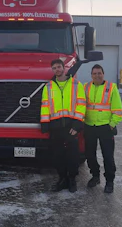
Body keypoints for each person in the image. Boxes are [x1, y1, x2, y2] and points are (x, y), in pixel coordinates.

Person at [40, 59, 86, 193]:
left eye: (59, 67)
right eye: (54, 68)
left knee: (73, 155)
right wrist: (45, 124)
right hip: (56, 127)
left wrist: (77, 125)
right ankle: (62, 179)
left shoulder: (76, 85)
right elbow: (45, 106)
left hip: (71, 126)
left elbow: (81, 105)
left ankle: (72, 180)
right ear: (52, 70)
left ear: (64, 67)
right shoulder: (48, 86)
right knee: (57, 155)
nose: (57, 70)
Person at [84, 64, 122, 193]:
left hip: (106, 127)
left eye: (99, 73)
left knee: (108, 156)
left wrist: (112, 124)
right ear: (91, 75)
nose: (97, 75)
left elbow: (118, 110)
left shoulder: (111, 88)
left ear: (103, 74)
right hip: (89, 126)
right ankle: (95, 176)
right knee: (89, 154)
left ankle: (110, 181)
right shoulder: (86, 87)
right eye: (94, 73)